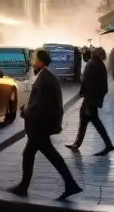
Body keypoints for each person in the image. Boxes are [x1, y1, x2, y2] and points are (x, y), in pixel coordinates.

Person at [9, 48, 82, 201]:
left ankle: (24, 187)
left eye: (35, 60)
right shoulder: (46, 76)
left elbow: (40, 105)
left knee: (39, 155)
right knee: (38, 154)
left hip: (40, 126)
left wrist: (26, 113)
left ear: (41, 62)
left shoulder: (45, 78)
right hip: (41, 125)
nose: (33, 64)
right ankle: (69, 184)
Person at [67, 47, 114, 156]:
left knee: (94, 121)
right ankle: (77, 143)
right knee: (85, 119)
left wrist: (89, 98)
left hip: (90, 98)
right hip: (91, 98)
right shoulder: (97, 63)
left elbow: (89, 82)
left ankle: (108, 145)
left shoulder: (93, 64)